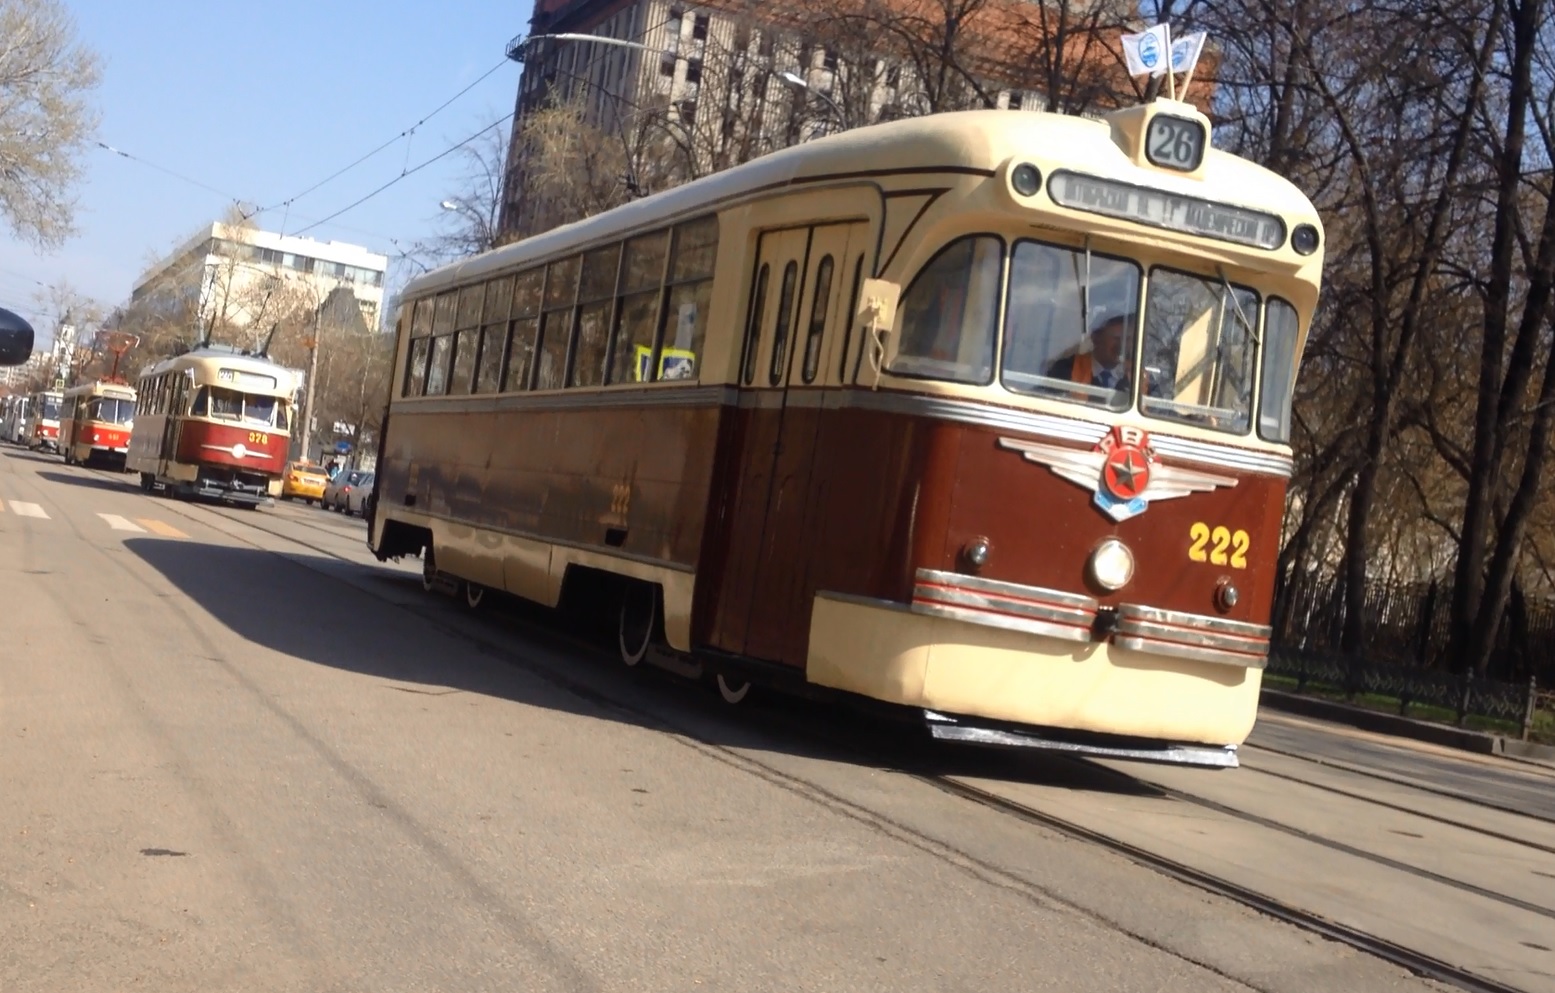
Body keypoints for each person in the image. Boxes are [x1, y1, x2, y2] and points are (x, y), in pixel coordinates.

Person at [1047, 314, 1135, 391]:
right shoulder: (1066, 369)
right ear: (1096, 339)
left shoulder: (1137, 378)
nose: (1122, 344)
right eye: (1116, 338)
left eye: (1127, 338)